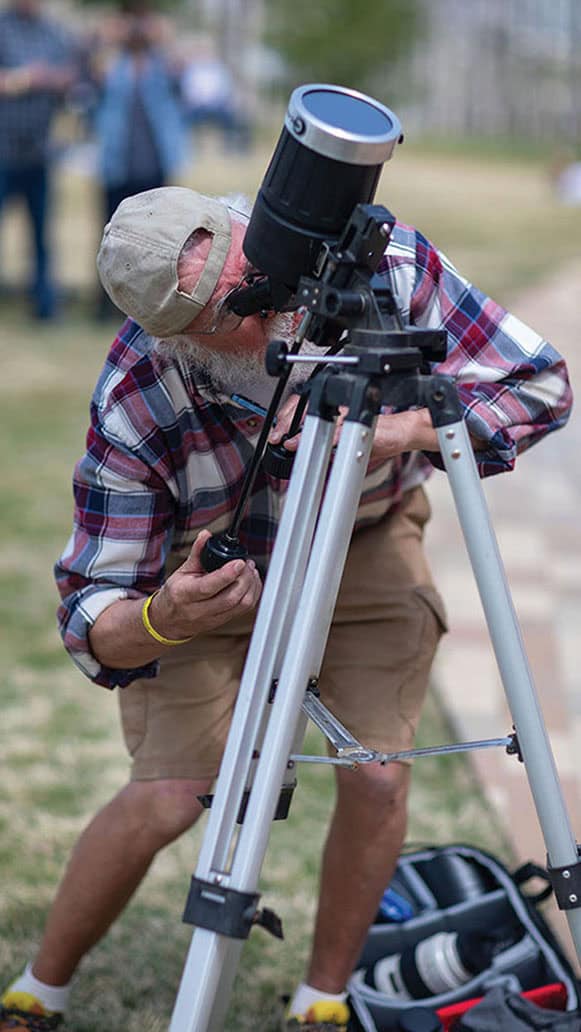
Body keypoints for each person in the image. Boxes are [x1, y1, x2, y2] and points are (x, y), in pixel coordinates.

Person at [0, 186, 572, 1032]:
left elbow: (542, 384)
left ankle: (321, 1003)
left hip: (363, 536)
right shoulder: (138, 393)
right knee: (173, 792)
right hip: (207, 579)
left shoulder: (382, 272)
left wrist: (403, 427)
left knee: (378, 777)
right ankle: (38, 991)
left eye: (260, 263)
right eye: (242, 303)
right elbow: (92, 617)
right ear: (181, 336)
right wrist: (168, 618)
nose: (276, 299)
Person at [90, 2, 186, 319]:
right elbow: (91, 74)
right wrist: (106, 38)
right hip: (116, 162)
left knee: (153, 239)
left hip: (154, 162)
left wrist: (165, 38)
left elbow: (182, 77)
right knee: (110, 234)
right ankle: (106, 304)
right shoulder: (112, 64)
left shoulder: (160, 65)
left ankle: (147, 303)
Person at [0, 0, 77, 320]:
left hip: (39, 151)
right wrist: (28, 79)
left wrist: (54, 79)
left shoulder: (53, 33)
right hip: (3, 151)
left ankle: (45, 304)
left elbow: (69, 77)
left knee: (42, 235)